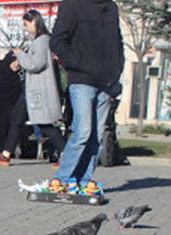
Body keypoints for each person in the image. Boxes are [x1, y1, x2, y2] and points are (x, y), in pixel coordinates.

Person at [49, 0, 123, 190]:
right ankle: (62, 179)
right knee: (82, 132)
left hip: (106, 82)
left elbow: (117, 42)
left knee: (96, 136)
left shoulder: (111, 7)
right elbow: (57, 40)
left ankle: (82, 179)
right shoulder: (73, 4)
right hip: (82, 80)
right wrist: (79, 63)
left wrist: (116, 72)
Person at [0, 10, 64, 166]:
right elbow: (33, 62)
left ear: (34, 22)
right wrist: (21, 62)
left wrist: (20, 55)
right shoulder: (40, 41)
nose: (25, 28)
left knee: (45, 124)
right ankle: (6, 153)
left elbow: (36, 64)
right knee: (16, 118)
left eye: (26, 24)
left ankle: (66, 153)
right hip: (30, 89)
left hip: (37, 91)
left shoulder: (42, 41)